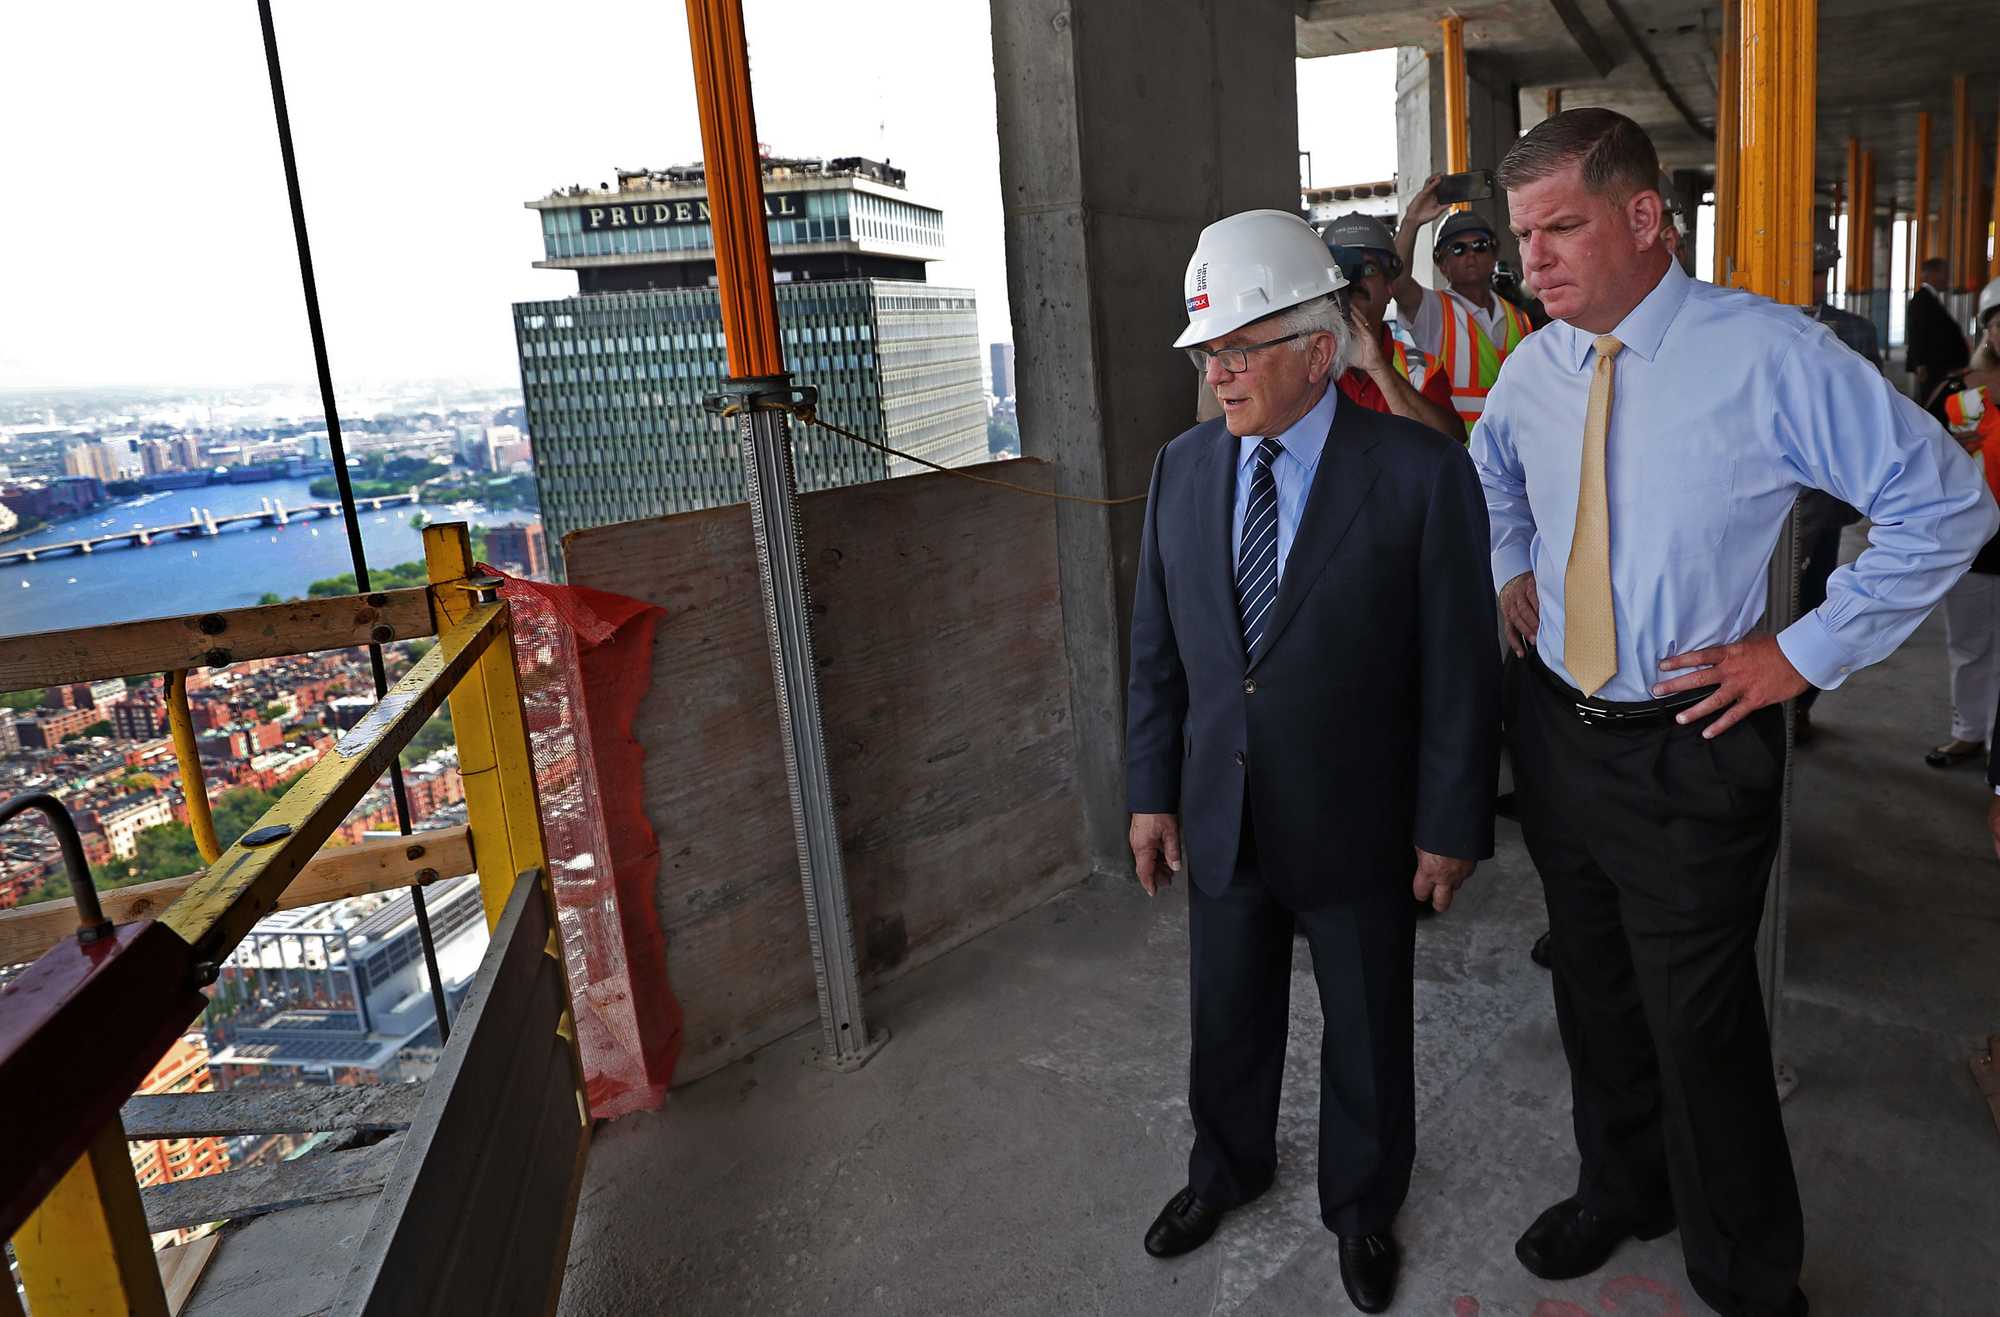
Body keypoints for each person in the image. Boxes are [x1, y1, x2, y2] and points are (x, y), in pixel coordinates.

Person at [1472, 108, 1996, 1317]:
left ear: (1645, 218)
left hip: (1689, 745)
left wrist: (1799, 654)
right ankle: (1621, 1189)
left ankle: (1745, 1274)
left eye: (1561, 228)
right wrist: (1511, 562)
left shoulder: (1767, 356)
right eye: (1521, 235)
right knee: (1591, 989)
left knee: (1700, 1028)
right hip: (1557, 732)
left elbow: (1945, 507)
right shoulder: (1536, 368)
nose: (1532, 261)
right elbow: (1492, 471)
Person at [1127, 208, 1498, 1314]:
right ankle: (1224, 1169)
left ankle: (1361, 1207)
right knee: (1225, 1017)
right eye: (1207, 352)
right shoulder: (1181, 470)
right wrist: (1150, 793)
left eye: (1237, 349)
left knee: (1367, 1028)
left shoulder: (1418, 475)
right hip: (1221, 813)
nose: (1218, 373)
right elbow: (1158, 650)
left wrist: (1449, 823)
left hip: (1360, 819)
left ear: (1314, 348)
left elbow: (1457, 673)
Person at [1793, 240, 1884, 745]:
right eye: (1806, 268)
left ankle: (1800, 700)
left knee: (1813, 593)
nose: (1813, 279)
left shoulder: (1854, 329)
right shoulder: (1755, 321)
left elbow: (1871, 406)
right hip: (1765, 492)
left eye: (1819, 270)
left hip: (1823, 496)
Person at [1923, 278, 2000, 768]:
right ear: (1987, 330)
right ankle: (1970, 731)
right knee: (1970, 645)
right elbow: (1917, 457)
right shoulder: (1959, 393)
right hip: (1976, 544)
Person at [1392, 178, 1537, 425]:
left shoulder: (1518, 319)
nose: (1470, 254)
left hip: (1514, 452)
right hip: (1459, 456)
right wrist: (1412, 221)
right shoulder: (1435, 311)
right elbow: (1396, 282)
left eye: (1480, 246)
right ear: (1442, 264)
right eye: (1458, 249)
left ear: (1494, 254)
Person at [1321, 210, 1466, 442]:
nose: (1354, 281)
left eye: (1368, 269)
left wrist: (1380, 369)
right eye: (1343, 270)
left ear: (1390, 288)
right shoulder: (1305, 361)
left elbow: (1449, 442)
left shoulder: (1419, 368)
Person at [1906, 255, 1970, 402]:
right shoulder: (1922, 299)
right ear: (1932, 274)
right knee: (1932, 401)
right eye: (1944, 273)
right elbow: (1917, 332)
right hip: (1932, 367)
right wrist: (1920, 363)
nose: (1947, 277)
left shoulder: (1931, 298)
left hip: (1939, 366)